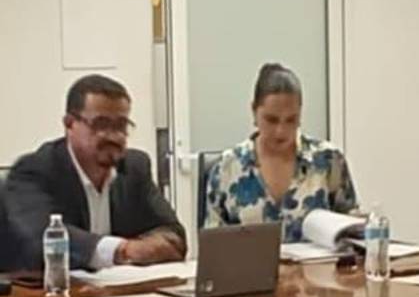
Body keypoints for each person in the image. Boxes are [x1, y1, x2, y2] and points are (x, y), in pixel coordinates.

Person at [6, 75, 185, 270]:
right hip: (49, 287)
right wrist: (123, 251)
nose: (114, 136)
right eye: (101, 124)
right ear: (69, 124)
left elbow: (173, 234)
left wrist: (146, 248)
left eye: (121, 125)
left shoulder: (135, 167)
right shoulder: (35, 170)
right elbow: (41, 237)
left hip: (122, 287)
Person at [205, 64, 358, 243]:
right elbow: (213, 246)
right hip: (249, 262)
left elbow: (353, 235)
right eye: (271, 120)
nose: (281, 131)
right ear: (254, 112)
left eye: (291, 120)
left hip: (320, 262)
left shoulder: (328, 161)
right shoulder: (227, 168)